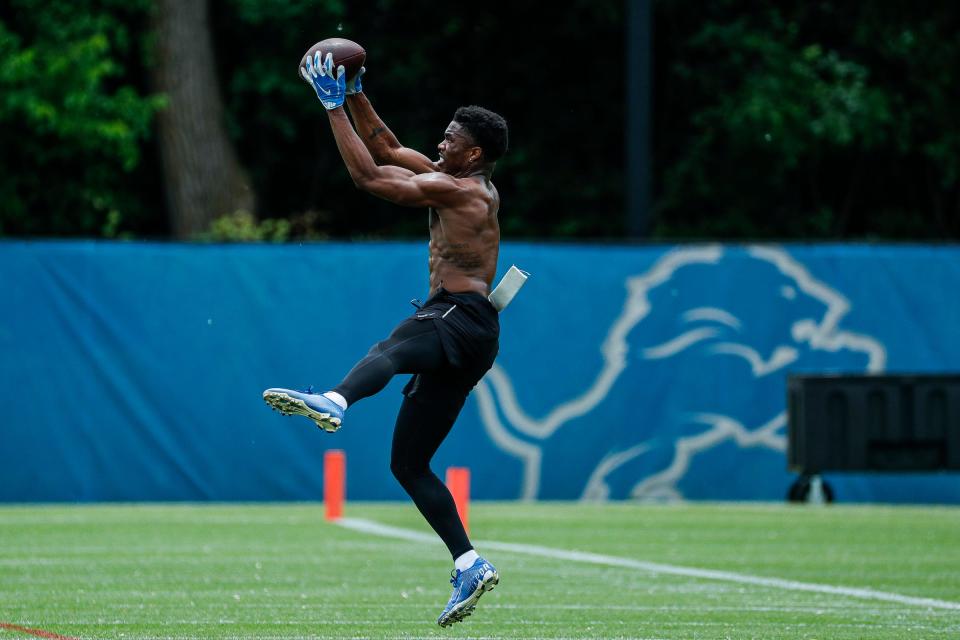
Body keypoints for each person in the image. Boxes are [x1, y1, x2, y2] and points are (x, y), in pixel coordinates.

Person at [263, 51, 508, 628]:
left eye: (450, 139)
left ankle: (336, 400)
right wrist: (353, 89)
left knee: (389, 350)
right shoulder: (455, 179)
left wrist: (330, 108)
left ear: (473, 153)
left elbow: (370, 177)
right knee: (409, 462)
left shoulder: (465, 193)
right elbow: (388, 148)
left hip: (462, 316)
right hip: (468, 327)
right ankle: (469, 562)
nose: (439, 143)